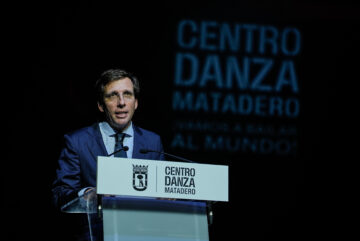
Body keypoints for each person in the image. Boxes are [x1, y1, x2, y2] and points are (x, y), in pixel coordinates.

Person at [52, 69, 165, 240]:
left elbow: (160, 192)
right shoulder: (77, 141)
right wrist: (89, 195)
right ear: (100, 104)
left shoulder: (152, 142)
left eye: (127, 94)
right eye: (112, 95)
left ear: (136, 102)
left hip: (142, 234)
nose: (121, 103)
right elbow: (61, 194)